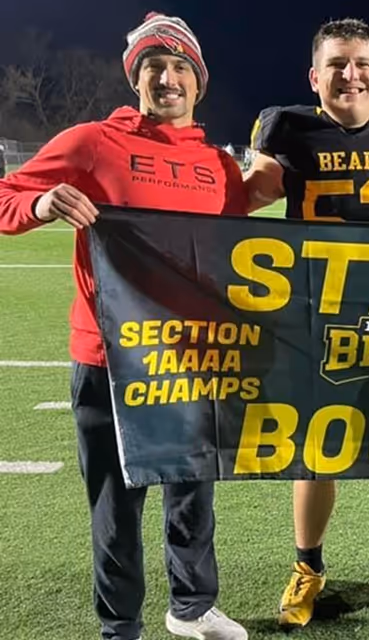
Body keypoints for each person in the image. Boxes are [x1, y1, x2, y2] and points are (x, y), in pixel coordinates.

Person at [0, 12, 248, 640]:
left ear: (199, 81)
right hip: (108, 355)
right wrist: (40, 201)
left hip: (192, 358)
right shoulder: (90, 142)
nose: (168, 78)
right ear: (136, 77)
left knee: (193, 489)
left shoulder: (220, 165)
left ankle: (191, 607)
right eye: (154, 67)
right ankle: (121, 627)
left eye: (180, 67)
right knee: (117, 503)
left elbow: (247, 248)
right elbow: (5, 199)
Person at [243, 17, 369, 629]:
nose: (349, 74)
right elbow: (246, 197)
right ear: (315, 76)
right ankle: (308, 566)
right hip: (314, 317)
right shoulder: (286, 126)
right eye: (336, 64)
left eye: (360, 63)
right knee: (316, 452)